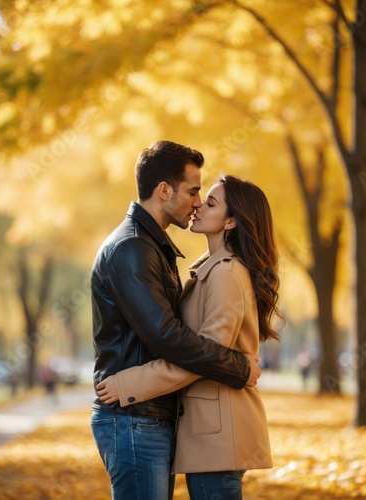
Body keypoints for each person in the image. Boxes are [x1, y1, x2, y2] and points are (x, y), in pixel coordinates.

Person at [90, 141, 262, 500]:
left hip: (149, 414)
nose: (198, 201)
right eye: (194, 190)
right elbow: (168, 338)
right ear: (164, 190)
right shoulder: (134, 249)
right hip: (135, 416)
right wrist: (239, 367)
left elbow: (180, 338)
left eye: (206, 197)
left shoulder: (160, 249)